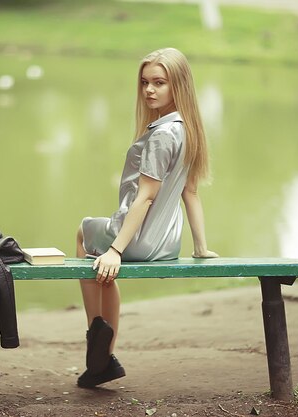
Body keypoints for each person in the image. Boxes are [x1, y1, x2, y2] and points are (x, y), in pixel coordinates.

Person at [75, 47, 218, 388]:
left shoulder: (161, 135)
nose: (149, 90)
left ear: (178, 85)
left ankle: (98, 332)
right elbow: (191, 192)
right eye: (144, 83)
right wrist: (200, 247)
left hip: (135, 239)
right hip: (165, 243)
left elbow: (147, 196)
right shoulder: (188, 130)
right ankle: (101, 349)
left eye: (159, 83)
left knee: (83, 233)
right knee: (103, 267)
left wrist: (116, 250)